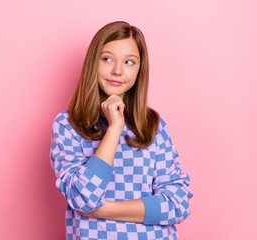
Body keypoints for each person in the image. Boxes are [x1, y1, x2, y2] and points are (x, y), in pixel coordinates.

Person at [49, 21, 193, 240]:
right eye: (107, 59)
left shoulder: (153, 126)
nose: (117, 70)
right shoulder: (68, 126)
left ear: (139, 70)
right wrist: (115, 128)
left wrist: (103, 210)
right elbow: (85, 197)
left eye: (129, 62)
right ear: (92, 63)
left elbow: (177, 203)